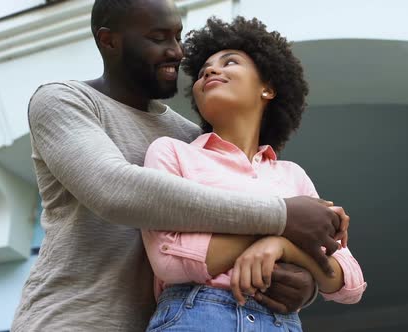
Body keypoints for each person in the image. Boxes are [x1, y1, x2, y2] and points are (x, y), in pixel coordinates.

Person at [11, 0, 350, 331]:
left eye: (177, 36)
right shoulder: (63, 101)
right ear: (109, 40)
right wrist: (283, 218)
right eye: (159, 38)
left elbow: (231, 232)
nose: (177, 52)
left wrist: (305, 283)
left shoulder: (190, 139)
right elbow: (115, 190)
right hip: (72, 319)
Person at [142, 17, 367, 332]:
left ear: (268, 89)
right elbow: (170, 263)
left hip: (280, 322)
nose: (210, 70)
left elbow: (349, 282)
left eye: (229, 62)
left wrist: (281, 246)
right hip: (195, 315)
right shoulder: (172, 153)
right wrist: (280, 228)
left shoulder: (293, 176)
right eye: (204, 68)